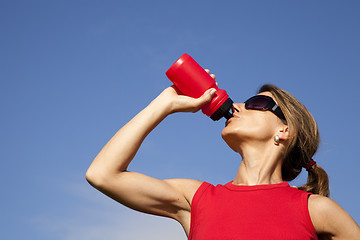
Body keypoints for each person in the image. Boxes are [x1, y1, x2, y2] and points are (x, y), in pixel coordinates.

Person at [86, 71, 360, 239]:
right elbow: (102, 175)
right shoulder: (196, 200)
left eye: (257, 103)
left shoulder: (316, 210)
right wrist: (165, 103)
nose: (238, 106)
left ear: (285, 130)